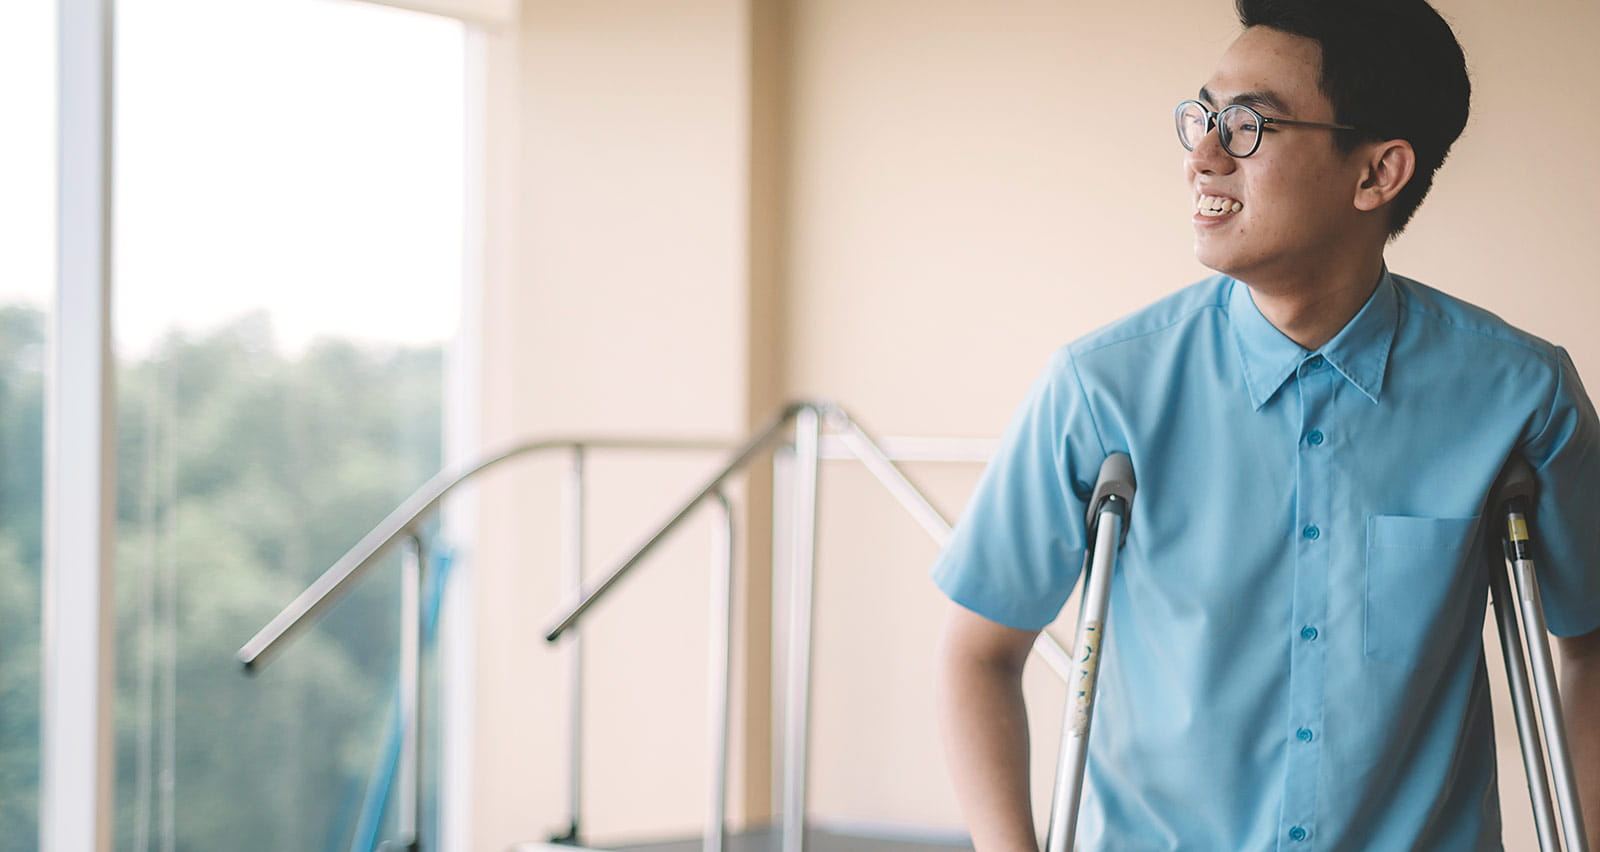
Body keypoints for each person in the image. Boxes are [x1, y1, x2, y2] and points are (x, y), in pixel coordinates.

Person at [930, 1, 1600, 849]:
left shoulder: (1519, 396)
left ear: (1377, 173)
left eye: (1247, 126)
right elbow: (979, 654)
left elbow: (1591, 643)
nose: (1202, 156)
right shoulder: (1102, 389)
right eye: (1203, 117)